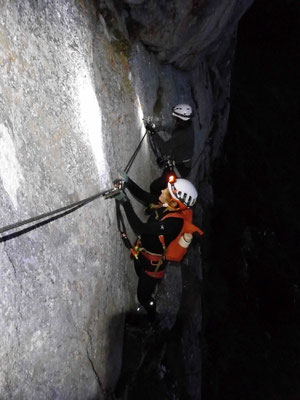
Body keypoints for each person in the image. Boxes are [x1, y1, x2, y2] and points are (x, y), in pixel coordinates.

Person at [113, 173, 201, 322]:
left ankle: (152, 315)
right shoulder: (167, 204)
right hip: (142, 254)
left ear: (175, 202)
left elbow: (139, 227)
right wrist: (128, 181)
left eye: (167, 192)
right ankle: (150, 289)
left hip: (153, 266)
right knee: (139, 273)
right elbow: (144, 196)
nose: (162, 192)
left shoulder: (172, 224)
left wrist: (125, 202)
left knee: (143, 297)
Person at [145, 103, 195, 195]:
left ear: (180, 119)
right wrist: (157, 128)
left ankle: (155, 205)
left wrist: (153, 133)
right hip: (180, 165)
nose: (174, 119)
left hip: (179, 168)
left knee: (155, 187)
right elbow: (173, 131)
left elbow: (164, 148)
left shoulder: (183, 134)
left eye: (176, 118)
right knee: (163, 187)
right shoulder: (187, 126)